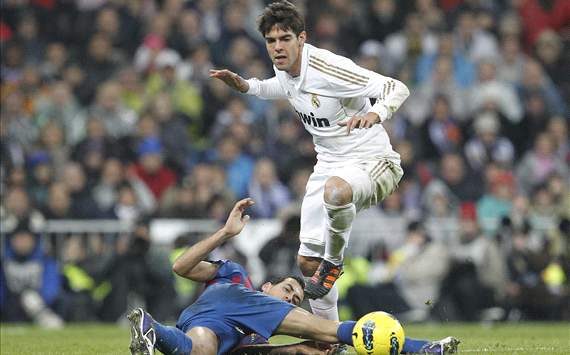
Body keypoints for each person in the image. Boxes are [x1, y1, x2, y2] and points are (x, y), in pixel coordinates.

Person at [210, 0, 409, 321]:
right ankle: (330, 339)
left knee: (335, 194)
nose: (277, 47)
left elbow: (395, 87)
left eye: (285, 39)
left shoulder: (329, 67)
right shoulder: (284, 67)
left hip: (373, 160)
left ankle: (334, 262)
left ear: (301, 38)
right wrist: (248, 87)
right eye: (271, 41)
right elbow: (286, 88)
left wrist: (376, 112)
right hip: (329, 163)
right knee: (306, 264)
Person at [127, 199, 460, 355]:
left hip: (203, 327)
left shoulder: (256, 337)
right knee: (330, 332)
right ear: (266, 285)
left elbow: (258, 354)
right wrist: (225, 233)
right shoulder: (237, 279)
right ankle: (421, 349)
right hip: (230, 305)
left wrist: (299, 350)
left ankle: (152, 330)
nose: (289, 297)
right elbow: (181, 266)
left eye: (294, 299)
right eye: (287, 289)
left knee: (200, 352)